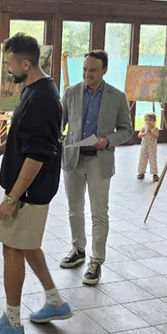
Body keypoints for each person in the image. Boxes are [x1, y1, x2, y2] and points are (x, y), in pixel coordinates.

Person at [0, 33, 72, 334]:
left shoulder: (42, 98)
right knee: (26, 244)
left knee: (12, 247)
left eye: (10, 64)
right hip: (29, 190)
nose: (8, 70)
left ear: (26, 63)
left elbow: (38, 154)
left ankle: (12, 323)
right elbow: (22, 135)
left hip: (28, 192)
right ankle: (55, 301)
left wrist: (12, 198)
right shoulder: (35, 89)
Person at [59, 50, 133, 285]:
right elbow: (58, 124)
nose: (87, 74)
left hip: (99, 159)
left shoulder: (117, 97)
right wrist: (62, 141)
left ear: (104, 70)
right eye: (84, 69)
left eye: (92, 70)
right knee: (74, 209)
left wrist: (108, 140)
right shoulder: (70, 93)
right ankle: (77, 249)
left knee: (99, 212)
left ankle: (96, 260)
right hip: (73, 158)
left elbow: (126, 130)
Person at [137, 112, 160, 181]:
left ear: (154, 121)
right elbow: (139, 135)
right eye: (146, 120)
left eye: (150, 120)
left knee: (153, 160)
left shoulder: (155, 129)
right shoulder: (144, 128)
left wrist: (150, 132)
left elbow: (156, 136)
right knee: (142, 159)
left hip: (152, 148)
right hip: (144, 147)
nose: (148, 121)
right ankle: (141, 172)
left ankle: (154, 174)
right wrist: (145, 133)